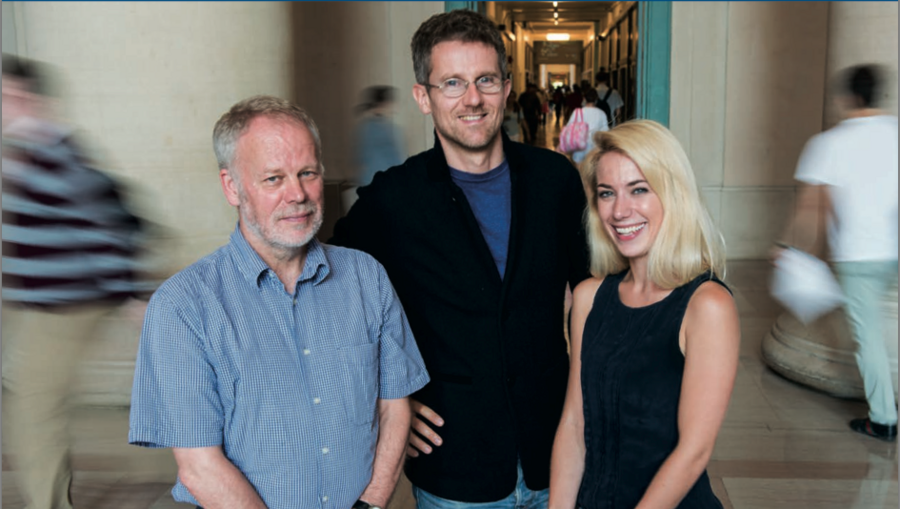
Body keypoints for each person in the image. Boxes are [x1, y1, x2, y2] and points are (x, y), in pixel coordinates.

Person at [330, 9, 590, 509]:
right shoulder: (393, 200)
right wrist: (385, 399)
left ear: (507, 87)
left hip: (557, 452)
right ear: (423, 97)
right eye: (452, 83)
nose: (473, 99)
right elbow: (330, 292)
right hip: (456, 467)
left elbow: (593, 295)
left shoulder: (554, 181)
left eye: (485, 80)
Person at [128, 95, 430, 509]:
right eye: (274, 179)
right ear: (232, 186)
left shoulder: (366, 278)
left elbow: (394, 408)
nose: (298, 195)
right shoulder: (183, 307)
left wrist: (373, 502)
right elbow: (199, 467)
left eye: (307, 173)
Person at [550, 120, 740, 509]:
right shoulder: (589, 298)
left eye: (638, 189)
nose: (620, 211)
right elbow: (573, 424)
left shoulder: (706, 306)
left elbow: (693, 452)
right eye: (607, 193)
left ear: (673, 194)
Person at [2, 54, 151, 509]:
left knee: (34, 406)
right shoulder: (25, 150)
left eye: (9, 96)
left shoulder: (55, 153)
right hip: (29, 295)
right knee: (30, 395)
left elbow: (101, 227)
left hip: (66, 302)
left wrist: (128, 295)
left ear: (31, 99)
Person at [776, 65, 898, 441]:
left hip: (856, 254)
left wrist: (790, 246)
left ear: (847, 98)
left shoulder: (829, 143)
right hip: (889, 251)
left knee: (869, 337)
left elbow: (812, 208)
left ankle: (883, 418)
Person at [354, 85, 407, 187]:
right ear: (384, 104)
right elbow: (397, 162)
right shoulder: (389, 130)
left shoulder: (362, 129)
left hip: (368, 184)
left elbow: (358, 160)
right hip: (385, 185)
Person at [560, 88, 608, 164]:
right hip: (594, 147)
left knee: (579, 172)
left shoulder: (577, 112)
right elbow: (605, 132)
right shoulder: (601, 113)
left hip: (579, 147)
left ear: (584, 98)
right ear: (596, 99)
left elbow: (569, 128)